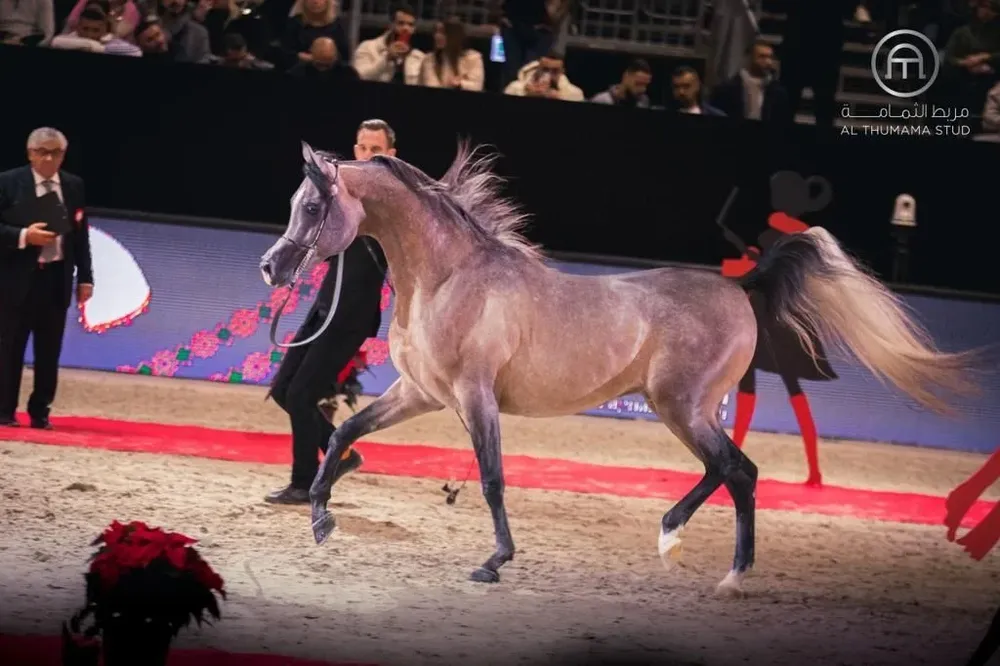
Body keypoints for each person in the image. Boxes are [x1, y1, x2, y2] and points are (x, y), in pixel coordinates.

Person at [264, 119, 395, 505]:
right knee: (284, 391)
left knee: (303, 393)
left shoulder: (390, 205)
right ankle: (342, 454)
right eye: (362, 148)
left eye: (376, 149)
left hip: (351, 316)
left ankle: (304, 482)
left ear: (391, 155)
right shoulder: (343, 197)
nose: (367, 155)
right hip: (324, 306)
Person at [0, 127, 94, 430]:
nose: (49, 158)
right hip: (17, 279)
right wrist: (25, 236)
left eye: (55, 152)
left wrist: (85, 278)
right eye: (42, 151)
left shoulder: (73, 186)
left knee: (49, 349)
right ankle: (4, 410)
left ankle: (40, 411)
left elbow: (80, 236)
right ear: (30, 153)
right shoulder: (8, 183)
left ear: (63, 155)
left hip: (55, 278)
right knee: (9, 346)